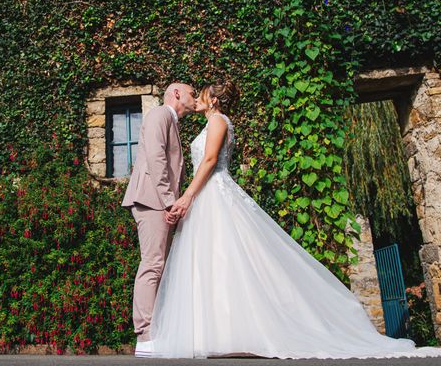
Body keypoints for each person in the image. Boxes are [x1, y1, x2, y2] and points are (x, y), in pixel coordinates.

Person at [150, 80, 441, 359]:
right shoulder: (217, 122)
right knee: (218, 262)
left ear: (213, 100)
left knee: (226, 259)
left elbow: (211, 161)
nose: (197, 98)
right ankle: (220, 333)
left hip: (212, 194)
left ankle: (235, 333)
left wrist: (187, 196)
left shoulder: (217, 121)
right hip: (208, 197)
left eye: (201, 94)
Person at [121, 82, 197, 358]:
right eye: (192, 92)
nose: (195, 97)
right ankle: (145, 335)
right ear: (176, 93)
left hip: (159, 202)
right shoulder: (160, 115)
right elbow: (156, 159)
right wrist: (170, 201)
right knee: (152, 264)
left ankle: (155, 332)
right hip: (152, 201)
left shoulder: (171, 121)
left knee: (159, 266)